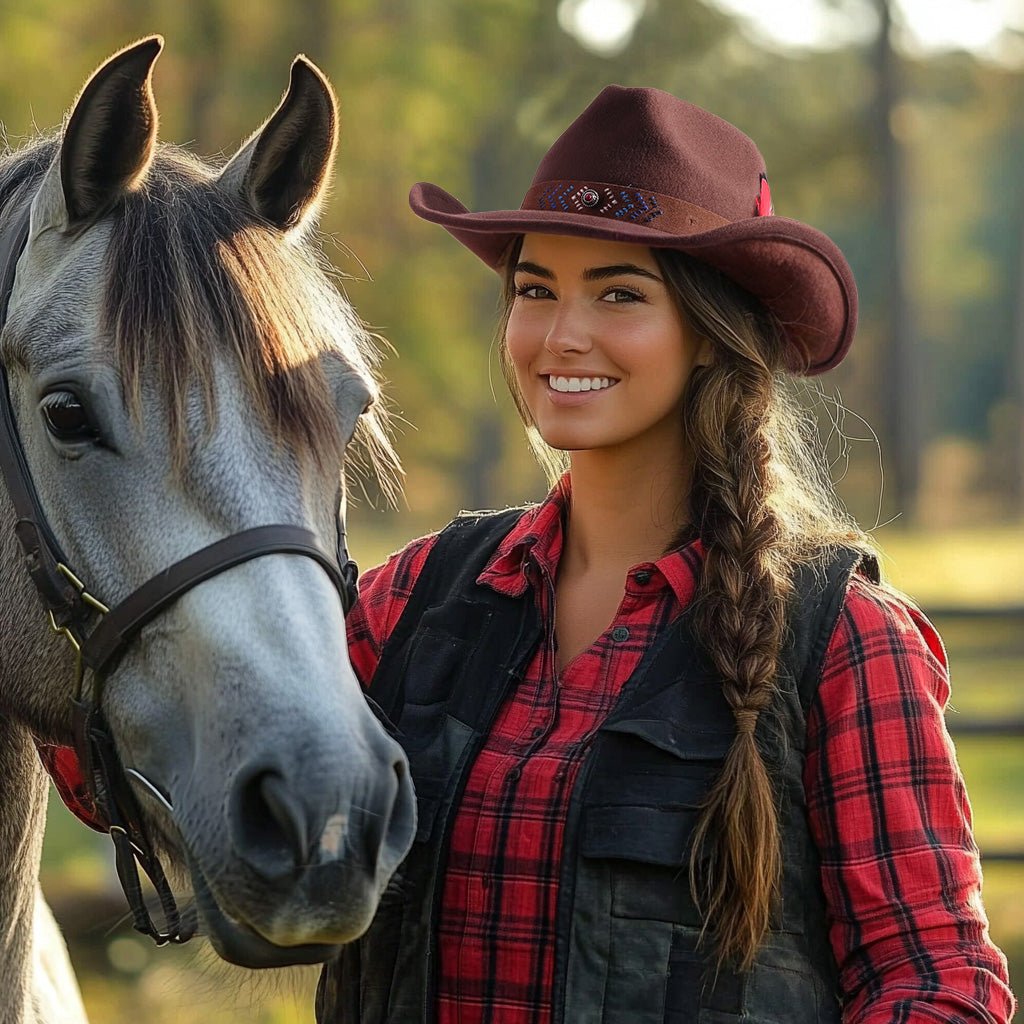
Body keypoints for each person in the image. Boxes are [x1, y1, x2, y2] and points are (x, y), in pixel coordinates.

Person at [316, 86, 1015, 1024]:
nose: (563, 333)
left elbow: (937, 987)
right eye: (535, 289)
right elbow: (179, 767)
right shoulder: (420, 595)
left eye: (619, 293)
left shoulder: (842, 641)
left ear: (709, 332)